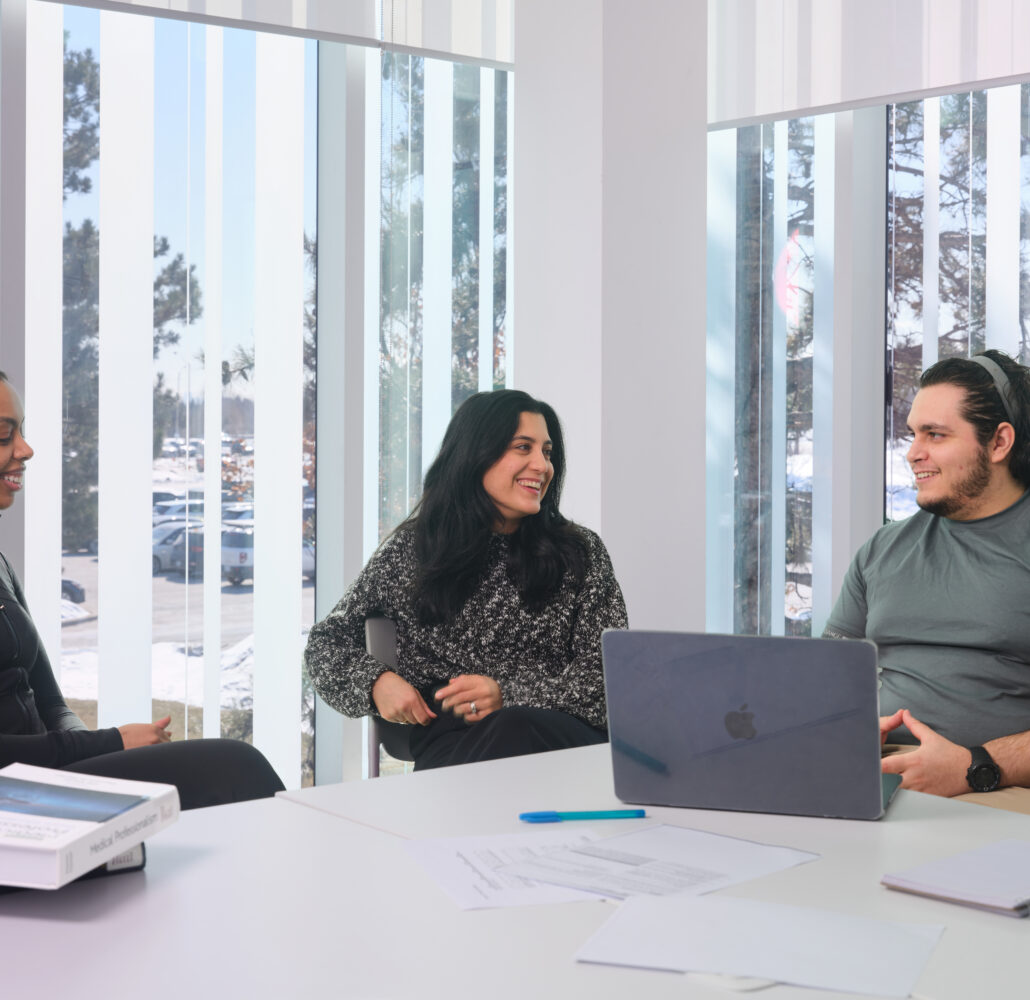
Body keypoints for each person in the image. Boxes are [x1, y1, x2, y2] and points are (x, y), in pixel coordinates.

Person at [0, 371, 284, 809]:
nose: (26, 449)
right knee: (235, 770)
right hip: (18, 792)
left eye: (22, 430)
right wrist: (110, 743)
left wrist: (109, 753)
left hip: (46, 775)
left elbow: (52, 704)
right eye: (5, 434)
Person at [305, 389, 628, 770]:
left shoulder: (580, 552)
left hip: (561, 739)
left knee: (515, 725)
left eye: (547, 452)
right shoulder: (416, 550)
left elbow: (613, 675)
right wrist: (376, 682)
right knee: (497, 740)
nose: (542, 466)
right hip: (455, 741)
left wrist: (508, 694)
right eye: (523, 447)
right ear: (476, 454)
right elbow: (325, 645)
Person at [824, 349, 1030, 811]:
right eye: (913, 435)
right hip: (871, 768)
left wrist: (974, 764)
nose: (914, 453)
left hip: (995, 784)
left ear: (999, 443)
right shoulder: (882, 550)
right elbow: (826, 682)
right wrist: (840, 725)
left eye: (935, 435)